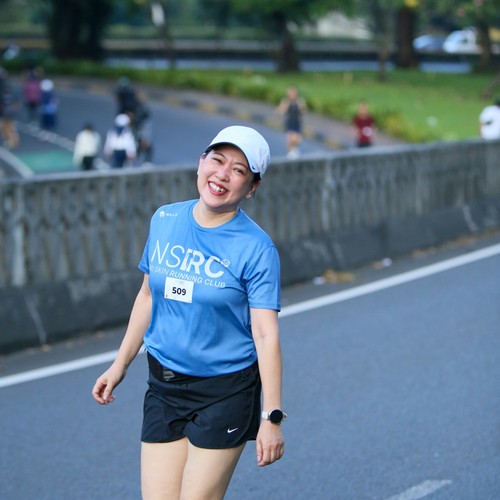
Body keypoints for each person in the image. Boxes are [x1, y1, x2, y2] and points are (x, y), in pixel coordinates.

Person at [92, 125, 285, 499]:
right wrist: (119, 365)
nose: (222, 175)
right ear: (201, 163)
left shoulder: (257, 249)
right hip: (164, 386)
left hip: (225, 391)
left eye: (238, 170)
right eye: (217, 160)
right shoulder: (165, 220)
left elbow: (265, 335)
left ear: (252, 187)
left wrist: (271, 417)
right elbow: (148, 296)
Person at [277, 86, 307, 158]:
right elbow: (281, 111)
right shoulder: (285, 101)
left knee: (297, 140)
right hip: (289, 123)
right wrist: (285, 106)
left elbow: (304, 111)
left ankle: (293, 153)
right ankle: (290, 155)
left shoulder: (299, 101)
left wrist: (301, 106)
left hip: (297, 123)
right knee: (290, 140)